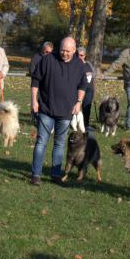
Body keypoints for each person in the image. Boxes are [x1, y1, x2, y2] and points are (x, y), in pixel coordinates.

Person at [30, 37, 88, 186]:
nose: (64, 53)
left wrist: (79, 102)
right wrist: (34, 100)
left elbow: (82, 86)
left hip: (66, 111)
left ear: (74, 50)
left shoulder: (80, 65)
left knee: (60, 143)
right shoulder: (48, 59)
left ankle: (56, 174)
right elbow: (35, 80)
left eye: (68, 51)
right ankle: (36, 174)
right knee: (42, 141)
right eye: (62, 50)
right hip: (46, 108)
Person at [77, 47, 96, 128]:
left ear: (85, 56)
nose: (79, 57)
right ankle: (73, 124)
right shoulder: (74, 63)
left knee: (87, 106)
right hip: (78, 88)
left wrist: (90, 74)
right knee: (75, 105)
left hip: (89, 88)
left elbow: (94, 74)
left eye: (81, 55)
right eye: (78, 55)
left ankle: (86, 124)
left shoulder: (88, 63)